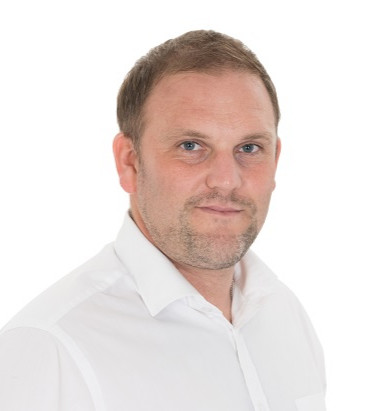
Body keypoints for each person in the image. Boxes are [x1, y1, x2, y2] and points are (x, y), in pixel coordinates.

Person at [0, 30, 326, 410]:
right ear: (130, 162)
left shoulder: (283, 311)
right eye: (191, 146)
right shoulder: (50, 349)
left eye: (249, 148)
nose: (226, 179)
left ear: (275, 160)